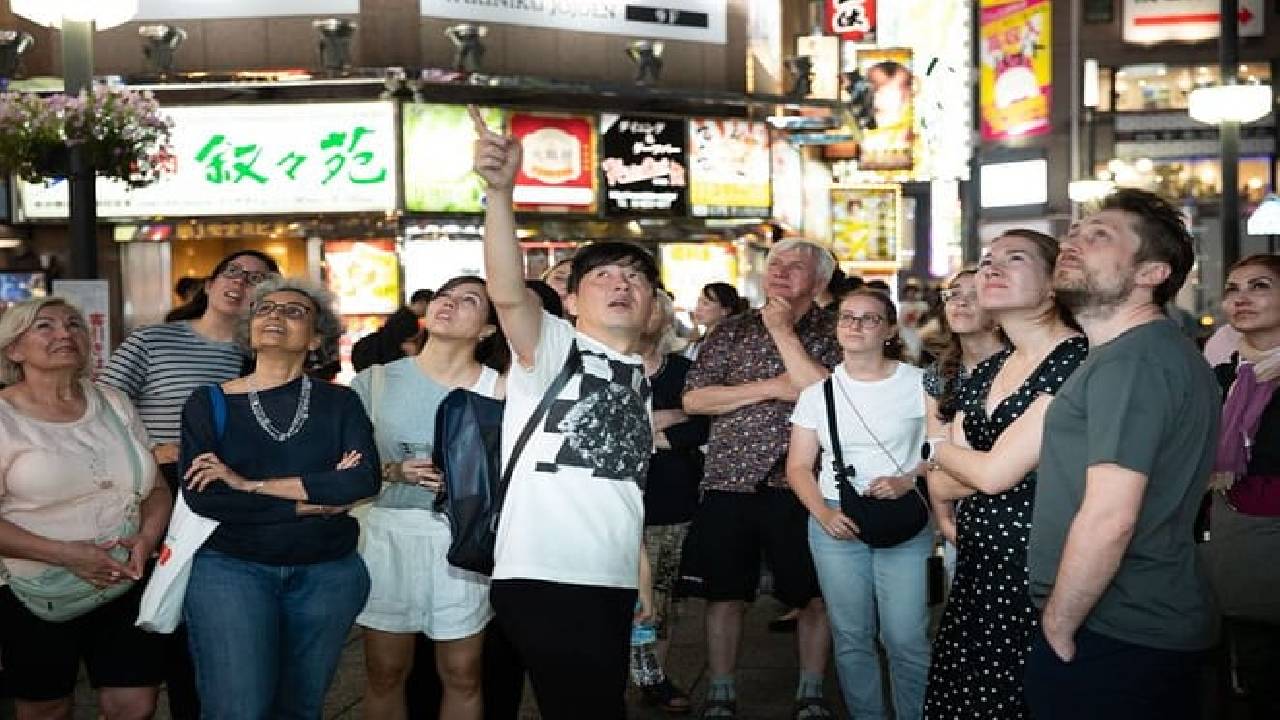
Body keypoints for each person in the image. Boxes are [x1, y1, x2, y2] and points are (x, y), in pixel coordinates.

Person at [472, 105, 655, 719]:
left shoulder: (638, 376)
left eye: (636, 278)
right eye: (603, 276)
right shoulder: (555, 345)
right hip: (545, 573)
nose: (622, 284)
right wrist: (501, 194)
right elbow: (504, 289)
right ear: (571, 299)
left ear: (654, 303)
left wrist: (641, 581)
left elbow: (625, 489)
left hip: (609, 579)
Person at [1024, 189, 1217, 718]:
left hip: (1117, 629)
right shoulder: (1136, 354)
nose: (1072, 242)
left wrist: (1059, 625)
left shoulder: (1132, 361)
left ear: (1151, 273)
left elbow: (1111, 517)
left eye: (1099, 236)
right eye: (1075, 233)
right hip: (1128, 625)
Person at [179, 277, 380, 719]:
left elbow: (361, 481)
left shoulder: (340, 402)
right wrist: (311, 498)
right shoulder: (208, 402)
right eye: (265, 309)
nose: (275, 315)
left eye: (294, 312)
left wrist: (248, 484)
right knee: (238, 708)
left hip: (327, 572)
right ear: (249, 329)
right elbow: (207, 498)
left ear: (317, 338)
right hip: (231, 570)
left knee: (300, 708)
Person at [100, 249, 278, 719]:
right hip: (155, 492)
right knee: (144, 620)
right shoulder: (153, 340)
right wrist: (151, 451)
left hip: (221, 503)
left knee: (199, 628)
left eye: (257, 279)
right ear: (210, 282)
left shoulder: (260, 356)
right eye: (232, 272)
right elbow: (101, 408)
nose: (240, 283)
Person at [922, 231, 1086, 718]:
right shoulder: (994, 367)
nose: (991, 267)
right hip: (978, 569)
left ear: (1055, 283)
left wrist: (939, 450)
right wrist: (950, 459)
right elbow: (944, 480)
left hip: (1036, 572)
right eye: (987, 259)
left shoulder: (1076, 359)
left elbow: (990, 474)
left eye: (1014, 259)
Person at [683, 238, 841, 720]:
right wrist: (771, 388)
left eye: (796, 266)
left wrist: (782, 333)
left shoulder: (836, 331)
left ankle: (811, 691)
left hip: (803, 485)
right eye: (776, 263)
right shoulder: (730, 331)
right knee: (724, 593)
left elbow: (827, 395)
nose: (781, 271)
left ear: (819, 282)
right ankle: (721, 691)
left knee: (813, 595)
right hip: (729, 479)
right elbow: (695, 400)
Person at [0, 297, 173, 719]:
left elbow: (156, 488)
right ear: (13, 349)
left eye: (74, 324)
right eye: (46, 326)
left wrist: (146, 538)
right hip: (34, 588)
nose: (65, 333)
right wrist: (68, 554)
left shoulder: (112, 401)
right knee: (46, 707)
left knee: (135, 704)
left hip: (125, 577)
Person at [352, 275, 509, 720]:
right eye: (444, 295)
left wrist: (468, 482)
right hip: (386, 533)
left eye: (468, 300)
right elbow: (343, 465)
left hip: (462, 540)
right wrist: (392, 471)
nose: (449, 304)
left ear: (488, 329)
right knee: (385, 670)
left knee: (463, 672)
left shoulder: (499, 389)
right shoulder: (377, 381)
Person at [786, 289, 932, 720]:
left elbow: (944, 450)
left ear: (889, 330)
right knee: (851, 635)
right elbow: (798, 466)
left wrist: (908, 479)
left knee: (906, 636)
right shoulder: (819, 392)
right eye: (848, 317)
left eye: (869, 319)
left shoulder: (919, 383)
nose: (856, 325)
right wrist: (824, 514)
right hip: (836, 517)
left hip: (905, 518)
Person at [1203, 253, 1280, 718]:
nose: (1242, 298)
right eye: (1233, 288)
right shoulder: (1224, 376)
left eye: (1260, 286)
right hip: (1230, 543)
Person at [631, 291, 709, 714]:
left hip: (671, 499)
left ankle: (652, 678)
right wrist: (667, 418)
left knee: (660, 598)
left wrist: (653, 428)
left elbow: (702, 427)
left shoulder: (684, 370)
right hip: (610, 502)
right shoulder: (599, 368)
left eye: (656, 306)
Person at [920, 269, 1008, 571]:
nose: (961, 302)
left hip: (1017, 517)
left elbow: (1017, 467)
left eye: (975, 295)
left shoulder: (1020, 367)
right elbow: (935, 455)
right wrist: (944, 520)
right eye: (954, 294)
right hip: (961, 520)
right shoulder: (939, 374)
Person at [685, 282, 747, 361]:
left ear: (725, 310)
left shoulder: (730, 345)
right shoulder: (699, 342)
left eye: (705, 303)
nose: (698, 308)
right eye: (698, 302)